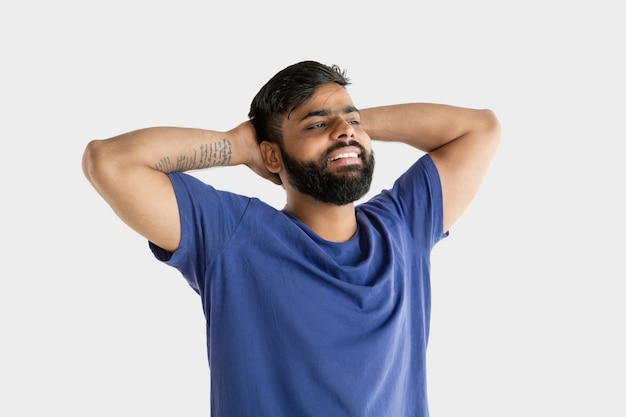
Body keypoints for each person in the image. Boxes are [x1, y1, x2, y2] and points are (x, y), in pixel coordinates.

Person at [82, 60, 500, 416]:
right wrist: (237, 145)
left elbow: (480, 128)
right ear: (273, 155)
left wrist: (345, 122)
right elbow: (110, 161)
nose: (345, 131)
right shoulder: (233, 236)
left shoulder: (404, 226)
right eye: (316, 124)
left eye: (353, 122)